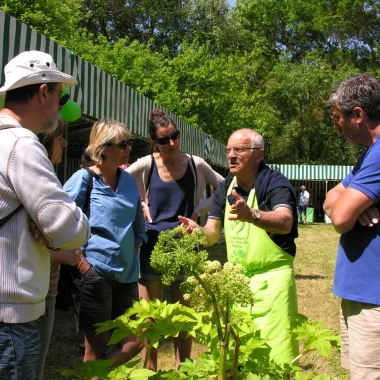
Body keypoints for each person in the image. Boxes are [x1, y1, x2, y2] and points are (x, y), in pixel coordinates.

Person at [0, 51, 90, 379]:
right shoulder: (22, 144)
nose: (61, 104)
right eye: (59, 94)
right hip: (11, 319)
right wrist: (68, 221)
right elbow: (69, 229)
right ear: (42, 93)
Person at [179, 128, 299, 365]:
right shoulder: (225, 188)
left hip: (273, 284)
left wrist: (252, 215)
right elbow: (212, 234)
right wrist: (197, 230)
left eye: (239, 150)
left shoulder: (275, 183)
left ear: (258, 154)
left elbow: (285, 222)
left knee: (274, 361)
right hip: (236, 285)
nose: (231, 155)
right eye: (228, 150)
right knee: (235, 361)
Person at [127, 109, 224, 370]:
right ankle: (151, 373)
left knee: (184, 316)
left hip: (187, 246)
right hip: (152, 247)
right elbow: (118, 179)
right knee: (151, 318)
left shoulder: (196, 163)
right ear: (153, 142)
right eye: (164, 140)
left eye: (175, 136)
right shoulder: (147, 164)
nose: (171, 143)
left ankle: (185, 372)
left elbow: (225, 188)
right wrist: (140, 204)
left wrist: (200, 209)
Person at [63, 119, 147, 374]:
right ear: (102, 149)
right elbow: (58, 220)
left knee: (134, 342)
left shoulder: (129, 181)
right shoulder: (83, 179)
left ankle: (93, 375)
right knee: (95, 349)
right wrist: (82, 264)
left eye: (129, 143)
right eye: (122, 144)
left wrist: (132, 253)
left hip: (127, 276)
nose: (129, 149)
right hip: (96, 274)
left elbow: (138, 226)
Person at [323, 74, 380, 380]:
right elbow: (329, 201)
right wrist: (349, 204)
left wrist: (347, 206)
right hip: (362, 294)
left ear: (357, 114)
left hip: (374, 298)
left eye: (338, 118)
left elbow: (341, 217)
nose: (337, 126)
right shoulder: (368, 156)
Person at [35, 117, 82, 380]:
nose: (65, 142)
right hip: (33, 294)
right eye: (60, 136)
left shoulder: (49, 176)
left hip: (48, 290)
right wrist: (61, 255)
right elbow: (21, 244)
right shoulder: (39, 183)